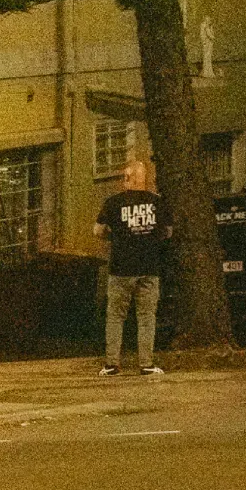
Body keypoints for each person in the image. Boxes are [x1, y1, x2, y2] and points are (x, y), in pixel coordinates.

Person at [95, 158, 171, 376]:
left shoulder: (113, 203)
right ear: (144, 179)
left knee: (116, 317)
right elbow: (168, 232)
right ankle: (146, 364)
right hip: (149, 267)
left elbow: (97, 231)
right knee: (146, 317)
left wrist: (114, 237)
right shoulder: (157, 202)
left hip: (121, 268)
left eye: (125, 177)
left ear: (128, 178)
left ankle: (112, 364)